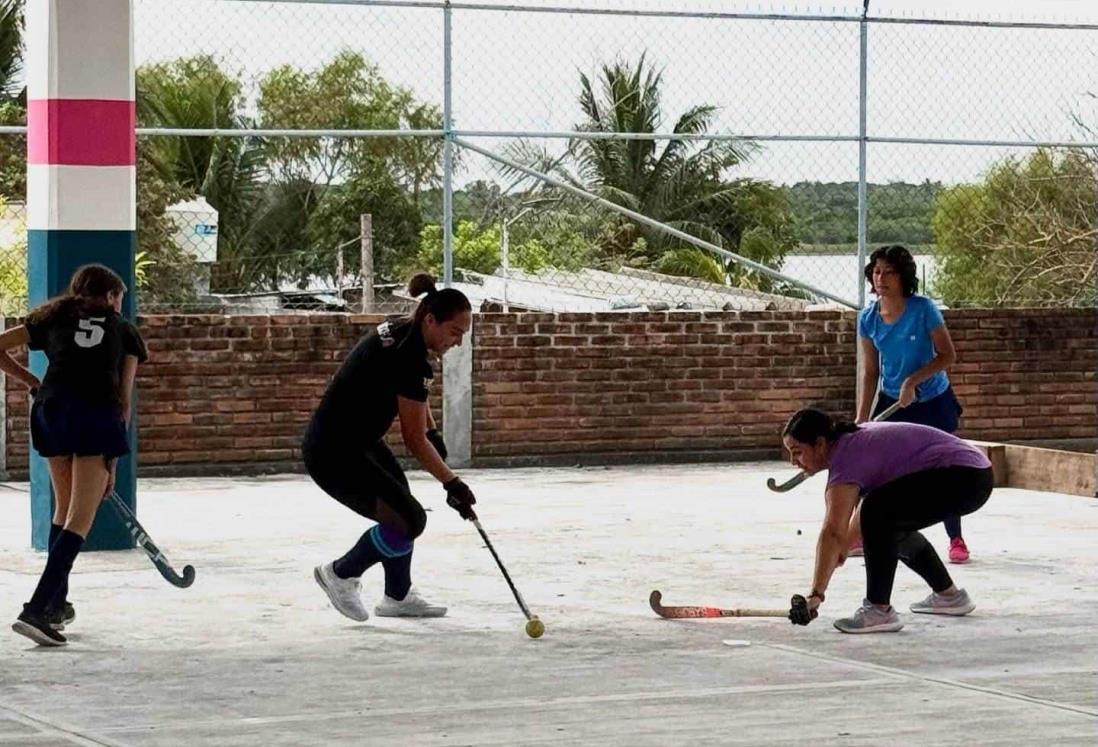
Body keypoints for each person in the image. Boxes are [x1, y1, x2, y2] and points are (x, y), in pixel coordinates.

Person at [304, 272, 475, 623]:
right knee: (409, 520)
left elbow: (414, 398)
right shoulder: (409, 359)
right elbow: (413, 441)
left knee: (403, 505)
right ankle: (340, 573)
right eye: (455, 332)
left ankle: (397, 597)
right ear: (431, 319)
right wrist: (453, 484)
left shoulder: (402, 333)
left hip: (357, 441)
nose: (457, 342)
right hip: (333, 453)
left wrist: (435, 431)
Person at [0, 264, 147, 646]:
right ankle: (36, 609)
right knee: (80, 520)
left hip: (51, 412)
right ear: (113, 297)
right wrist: (111, 460)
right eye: (120, 298)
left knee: (63, 512)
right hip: (95, 417)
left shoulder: (52, 317)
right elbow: (123, 401)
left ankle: (56, 604)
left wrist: (33, 381)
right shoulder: (125, 332)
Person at [782, 408, 993, 634]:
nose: (794, 461)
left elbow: (833, 531)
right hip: (975, 474)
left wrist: (816, 594)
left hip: (964, 475)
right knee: (887, 519)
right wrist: (838, 554)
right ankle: (949, 596)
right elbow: (848, 533)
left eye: (797, 452)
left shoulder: (846, 457)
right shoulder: (850, 446)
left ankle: (878, 610)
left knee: (879, 512)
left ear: (820, 444)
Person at [853, 244, 971, 564]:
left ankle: (956, 538)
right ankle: (861, 533)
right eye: (877, 271)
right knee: (870, 464)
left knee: (946, 468)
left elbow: (948, 355)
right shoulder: (867, 319)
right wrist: (862, 420)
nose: (881, 278)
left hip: (933, 399)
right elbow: (871, 372)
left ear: (903, 275)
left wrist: (914, 380)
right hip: (893, 400)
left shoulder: (923, 309)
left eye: (889, 271)